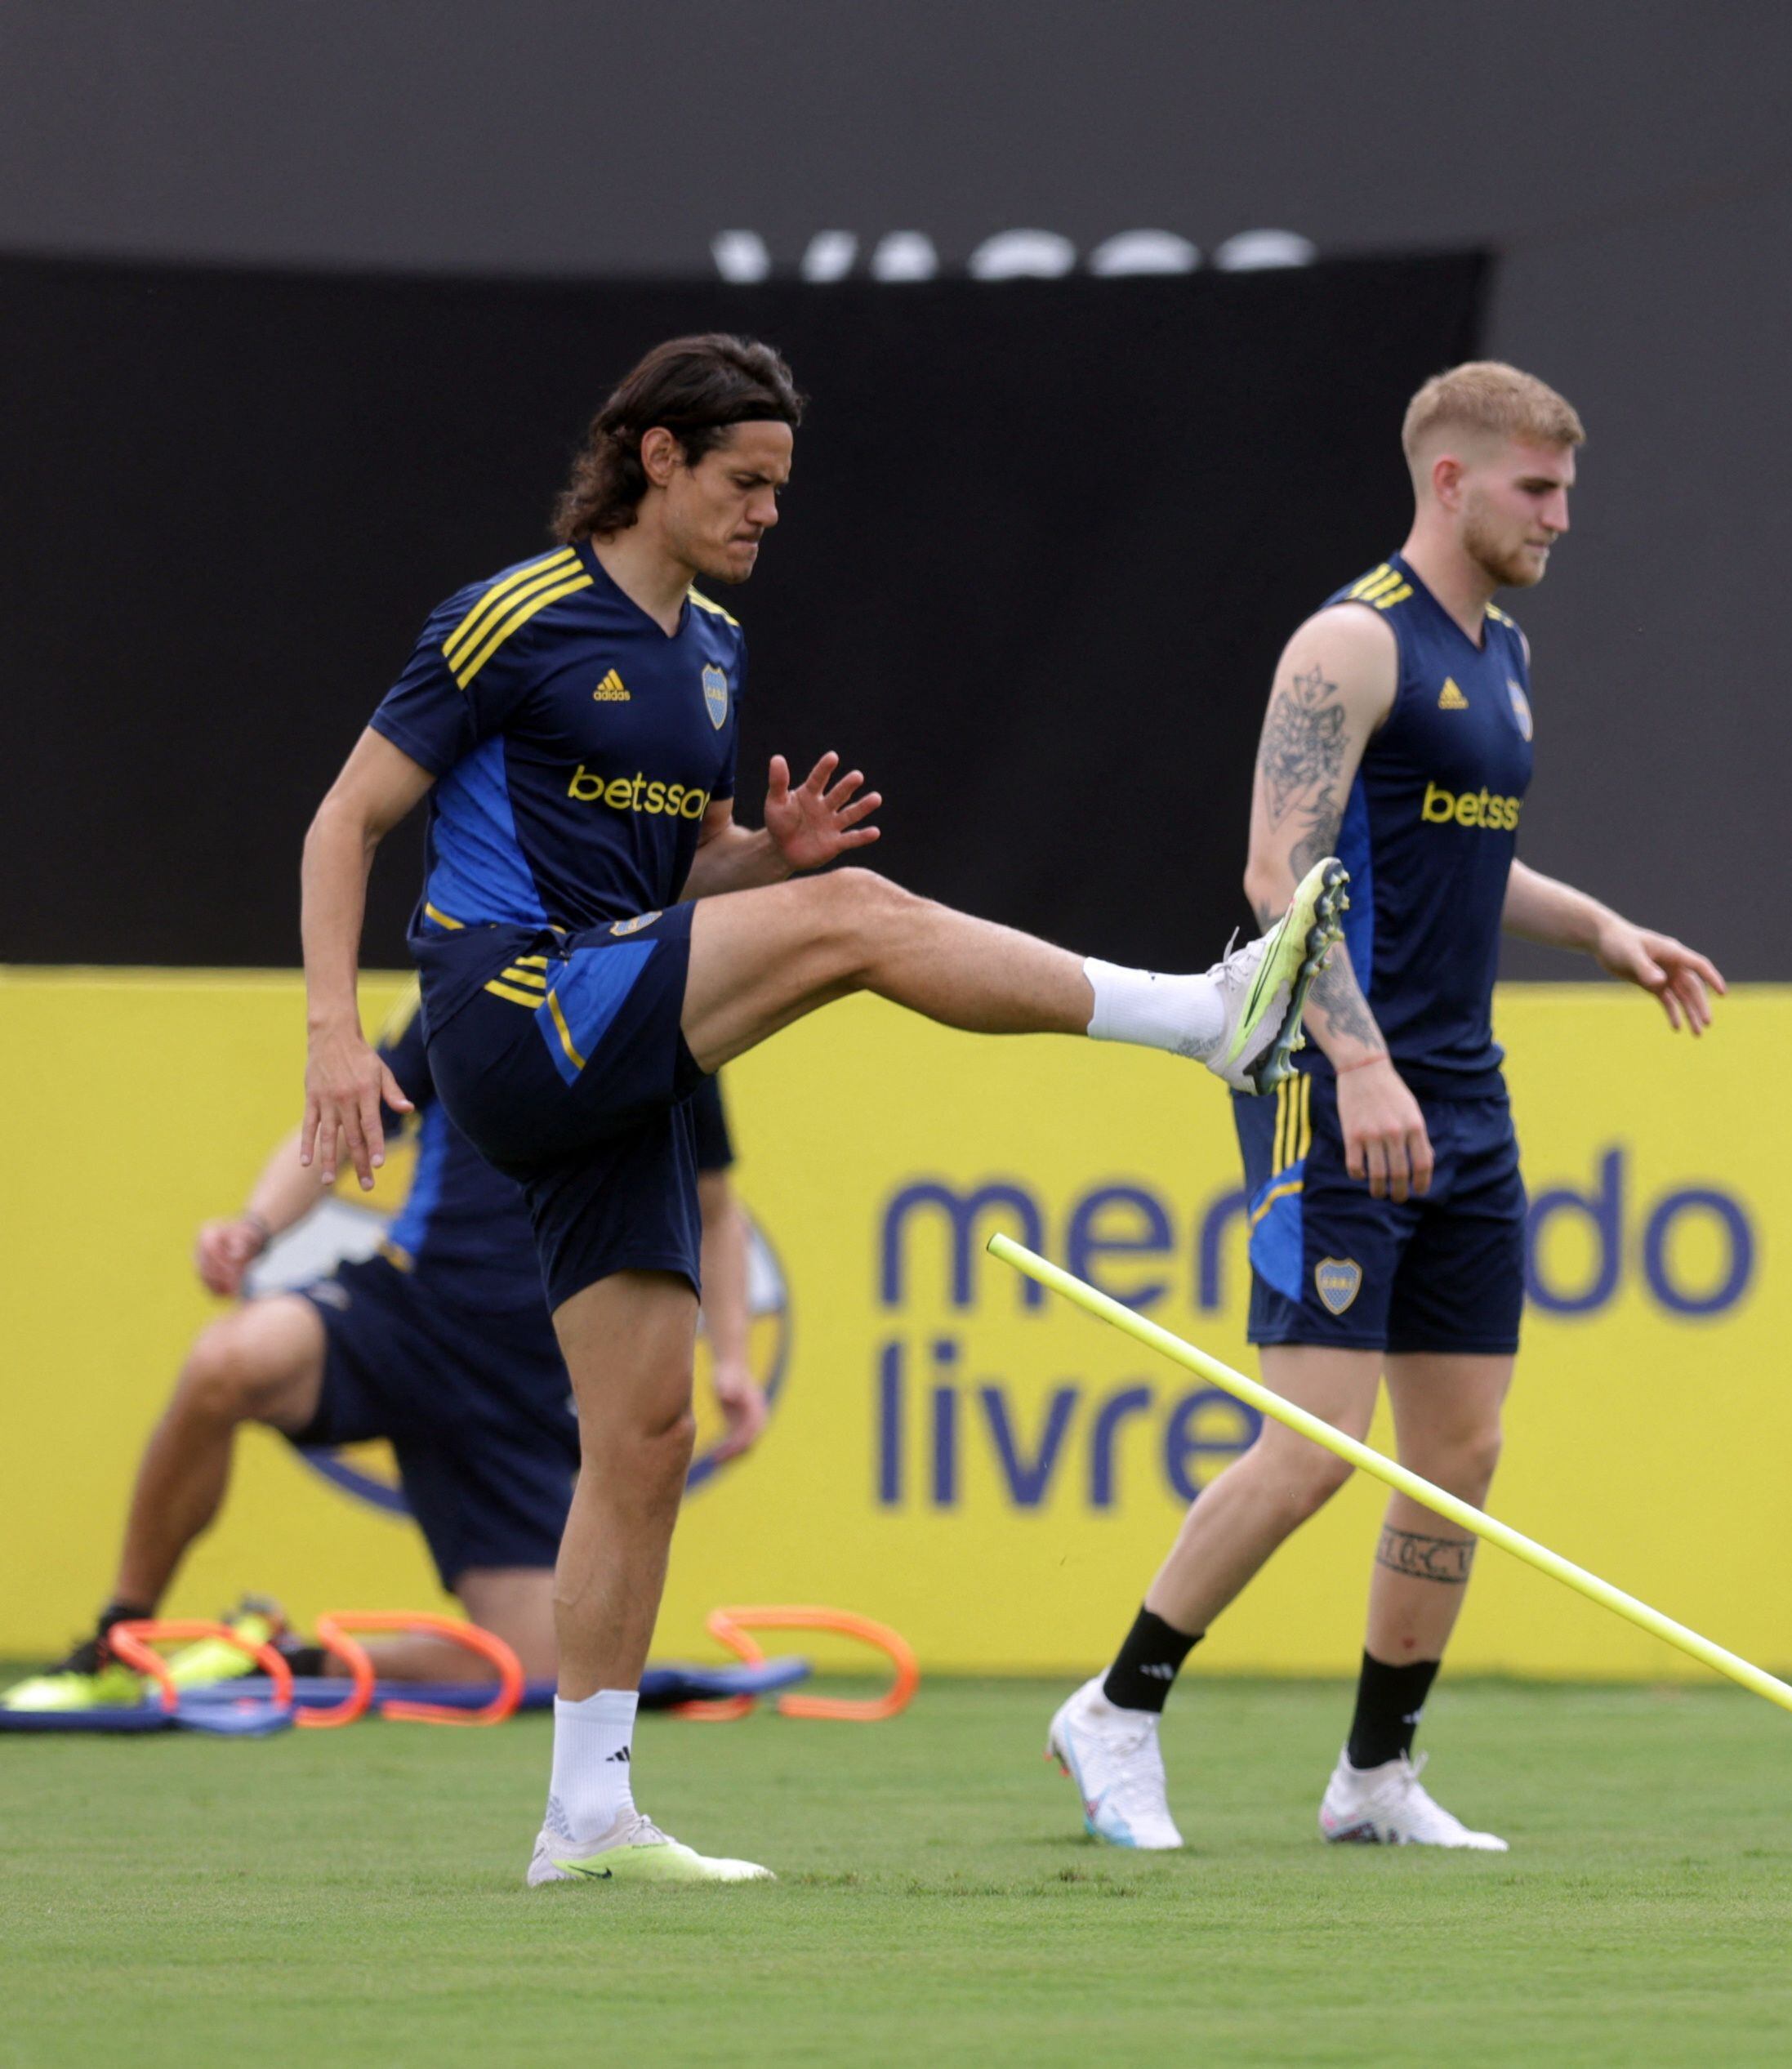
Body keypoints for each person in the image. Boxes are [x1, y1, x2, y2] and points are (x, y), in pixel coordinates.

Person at [296, 334, 1345, 1887]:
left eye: (781, 488)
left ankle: (584, 1816)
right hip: (512, 1011)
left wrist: (752, 860)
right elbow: (347, 817)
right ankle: (1204, 1017)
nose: (768, 512)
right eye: (743, 480)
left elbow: (663, 882)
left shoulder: (709, 649)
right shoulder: (512, 613)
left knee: (642, 1435)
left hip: (618, 1033)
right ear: (653, 456)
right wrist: (333, 1034)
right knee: (857, 919)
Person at [1045, 362, 1725, 1853]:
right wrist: (1358, 1061)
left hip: (1461, 1091)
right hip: (1327, 1081)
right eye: (1536, 490)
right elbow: (1276, 875)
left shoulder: (1509, 652)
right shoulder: (1350, 642)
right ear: (1450, 481)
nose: (1560, 516)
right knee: (1311, 1442)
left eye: (1565, 489)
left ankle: (1374, 1773)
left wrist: (1602, 928)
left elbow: (1473, 860)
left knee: (1459, 1456)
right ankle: (1116, 1706)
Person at [4, 1016, 758, 1713]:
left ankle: (287, 1663)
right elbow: (340, 1128)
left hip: (527, 1387)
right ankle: (121, 1639)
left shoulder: (669, 1009)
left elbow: (716, 1209)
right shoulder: (477, 986)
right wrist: (254, 1225)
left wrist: (731, 1361)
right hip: (411, 1314)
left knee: (543, 1674)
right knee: (224, 1360)